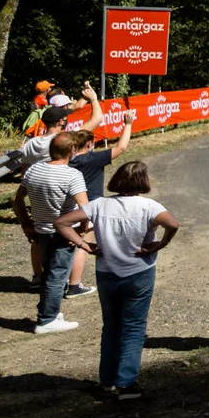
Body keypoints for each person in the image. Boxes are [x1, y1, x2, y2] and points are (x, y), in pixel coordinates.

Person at [53, 160, 178, 400]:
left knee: (111, 327)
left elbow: (61, 222)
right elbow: (173, 224)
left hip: (107, 272)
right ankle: (127, 383)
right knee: (133, 327)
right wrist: (162, 243)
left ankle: (107, 380)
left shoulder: (99, 205)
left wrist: (84, 245)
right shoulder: (149, 206)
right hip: (139, 272)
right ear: (143, 182)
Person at [14, 131, 91, 334]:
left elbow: (17, 200)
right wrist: (81, 232)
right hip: (64, 233)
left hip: (41, 231)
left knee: (49, 274)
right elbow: (85, 209)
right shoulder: (72, 175)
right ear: (72, 150)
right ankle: (46, 320)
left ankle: (49, 311)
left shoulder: (33, 170)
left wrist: (26, 224)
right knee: (58, 277)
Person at [64, 110, 138, 299]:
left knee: (68, 243)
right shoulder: (93, 159)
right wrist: (127, 125)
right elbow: (121, 148)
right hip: (89, 206)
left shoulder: (67, 160)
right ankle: (74, 285)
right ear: (89, 144)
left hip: (68, 207)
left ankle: (62, 278)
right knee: (83, 243)